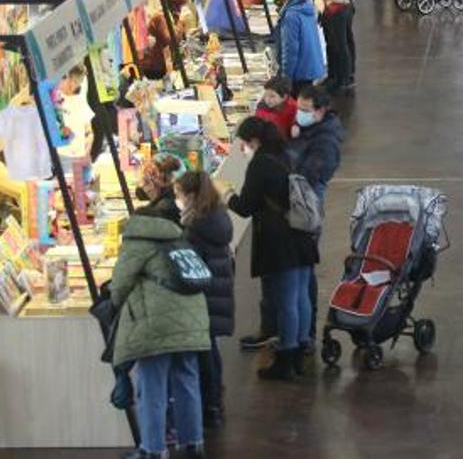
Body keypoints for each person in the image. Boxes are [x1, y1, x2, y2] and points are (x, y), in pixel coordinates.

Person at [110, 195, 210, 458]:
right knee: (187, 380)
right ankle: (193, 444)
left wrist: (114, 305)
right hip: (193, 320)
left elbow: (119, 286)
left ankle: (153, 449)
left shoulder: (136, 241)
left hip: (155, 324)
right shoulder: (178, 238)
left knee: (152, 386)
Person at [227, 117, 320, 380]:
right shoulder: (285, 154)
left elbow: (245, 207)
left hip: (280, 239)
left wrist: (226, 195)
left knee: (286, 300)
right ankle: (300, 348)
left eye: (244, 143)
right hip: (301, 235)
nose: (242, 148)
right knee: (301, 296)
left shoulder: (260, 164)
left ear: (254, 141)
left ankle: (286, 358)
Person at [173, 171, 234, 430]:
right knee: (211, 351)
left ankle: (210, 406)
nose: (177, 199)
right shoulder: (217, 217)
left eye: (179, 194)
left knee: (204, 354)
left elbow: (191, 266)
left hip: (205, 298)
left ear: (191, 195)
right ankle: (215, 402)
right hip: (217, 294)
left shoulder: (196, 227)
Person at [287, 84, 343, 342]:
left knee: (304, 266)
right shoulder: (311, 129)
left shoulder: (325, 140)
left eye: (305, 110)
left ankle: (306, 332)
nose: (299, 113)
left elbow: (313, 172)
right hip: (302, 197)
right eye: (298, 108)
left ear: (320, 111)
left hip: (307, 202)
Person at [136, 154, 184, 224]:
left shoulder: (163, 209)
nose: (143, 187)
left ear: (155, 183)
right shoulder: (174, 197)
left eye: (145, 182)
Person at [255, 76, 298, 140]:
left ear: (284, 97)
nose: (267, 100)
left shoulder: (295, 108)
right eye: (265, 95)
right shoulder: (262, 107)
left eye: (272, 96)